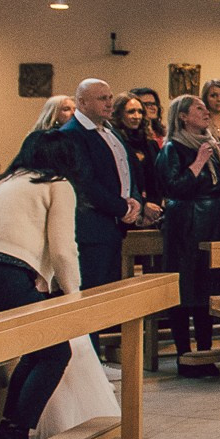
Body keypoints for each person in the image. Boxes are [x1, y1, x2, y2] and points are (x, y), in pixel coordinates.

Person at [0, 131, 82, 439]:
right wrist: (74, 297)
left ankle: (11, 430)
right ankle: (13, 433)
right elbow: (63, 249)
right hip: (6, 276)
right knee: (55, 352)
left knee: (38, 349)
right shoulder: (57, 184)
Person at [156, 93, 220, 375]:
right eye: (199, 108)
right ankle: (184, 355)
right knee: (186, 288)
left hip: (213, 218)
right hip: (187, 221)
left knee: (208, 289)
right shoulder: (173, 148)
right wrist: (199, 162)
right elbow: (173, 187)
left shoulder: (210, 144)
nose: (206, 112)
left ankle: (205, 353)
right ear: (183, 116)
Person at [61, 78, 143, 288]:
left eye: (110, 98)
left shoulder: (111, 131)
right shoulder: (71, 134)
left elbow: (128, 169)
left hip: (113, 226)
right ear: (82, 102)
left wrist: (134, 200)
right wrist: (123, 207)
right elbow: (85, 184)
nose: (109, 103)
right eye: (102, 99)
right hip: (91, 229)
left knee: (110, 291)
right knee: (95, 292)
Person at [115, 93, 165, 222]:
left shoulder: (150, 144)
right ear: (119, 114)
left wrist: (154, 204)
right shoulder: (116, 143)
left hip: (154, 210)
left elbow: (157, 179)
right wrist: (143, 205)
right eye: (131, 112)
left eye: (140, 112)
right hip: (128, 210)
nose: (137, 116)